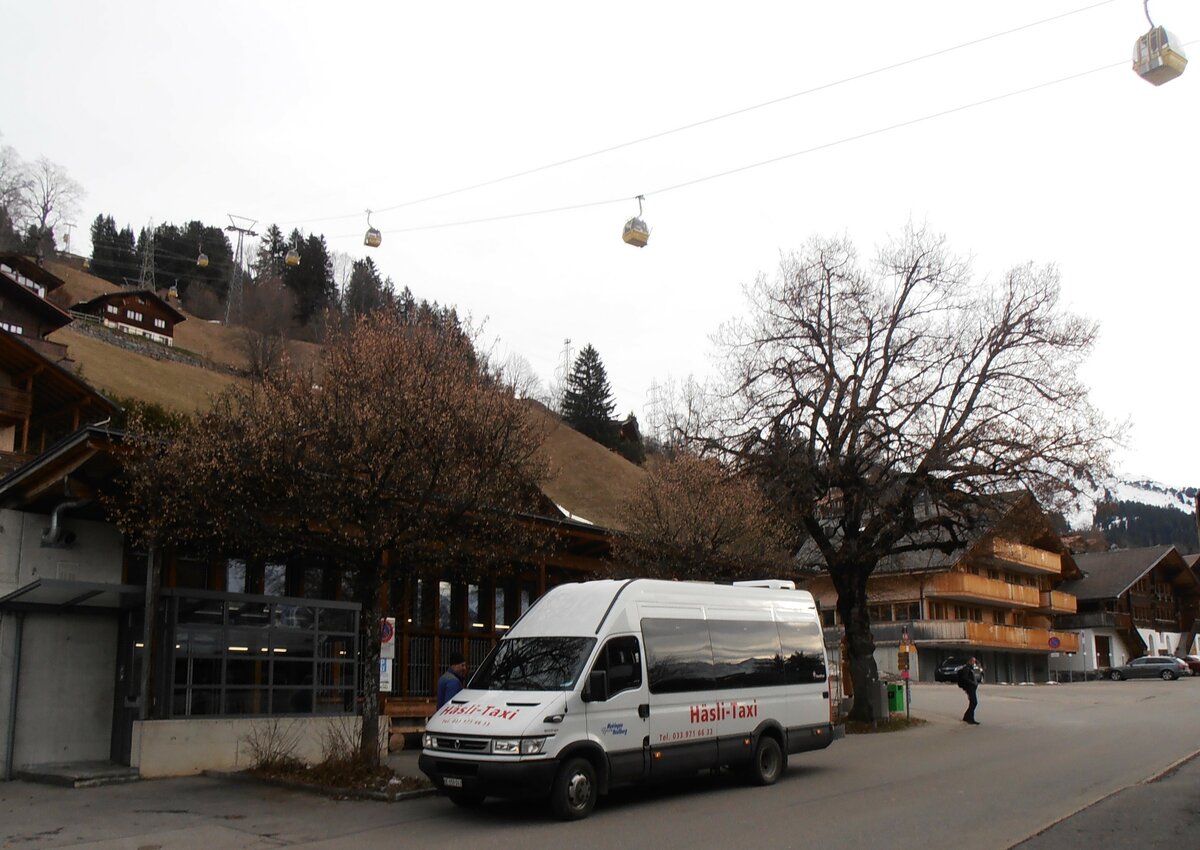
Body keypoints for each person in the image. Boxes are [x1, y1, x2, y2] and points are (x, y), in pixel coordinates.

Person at [957, 656, 981, 725]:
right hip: (969, 687)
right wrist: (972, 683)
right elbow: (965, 678)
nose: (974, 663)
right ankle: (969, 718)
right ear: (970, 661)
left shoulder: (970, 668)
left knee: (973, 702)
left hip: (972, 687)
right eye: (973, 661)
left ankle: (969, 717)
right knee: (974, 702)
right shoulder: (967, 668)